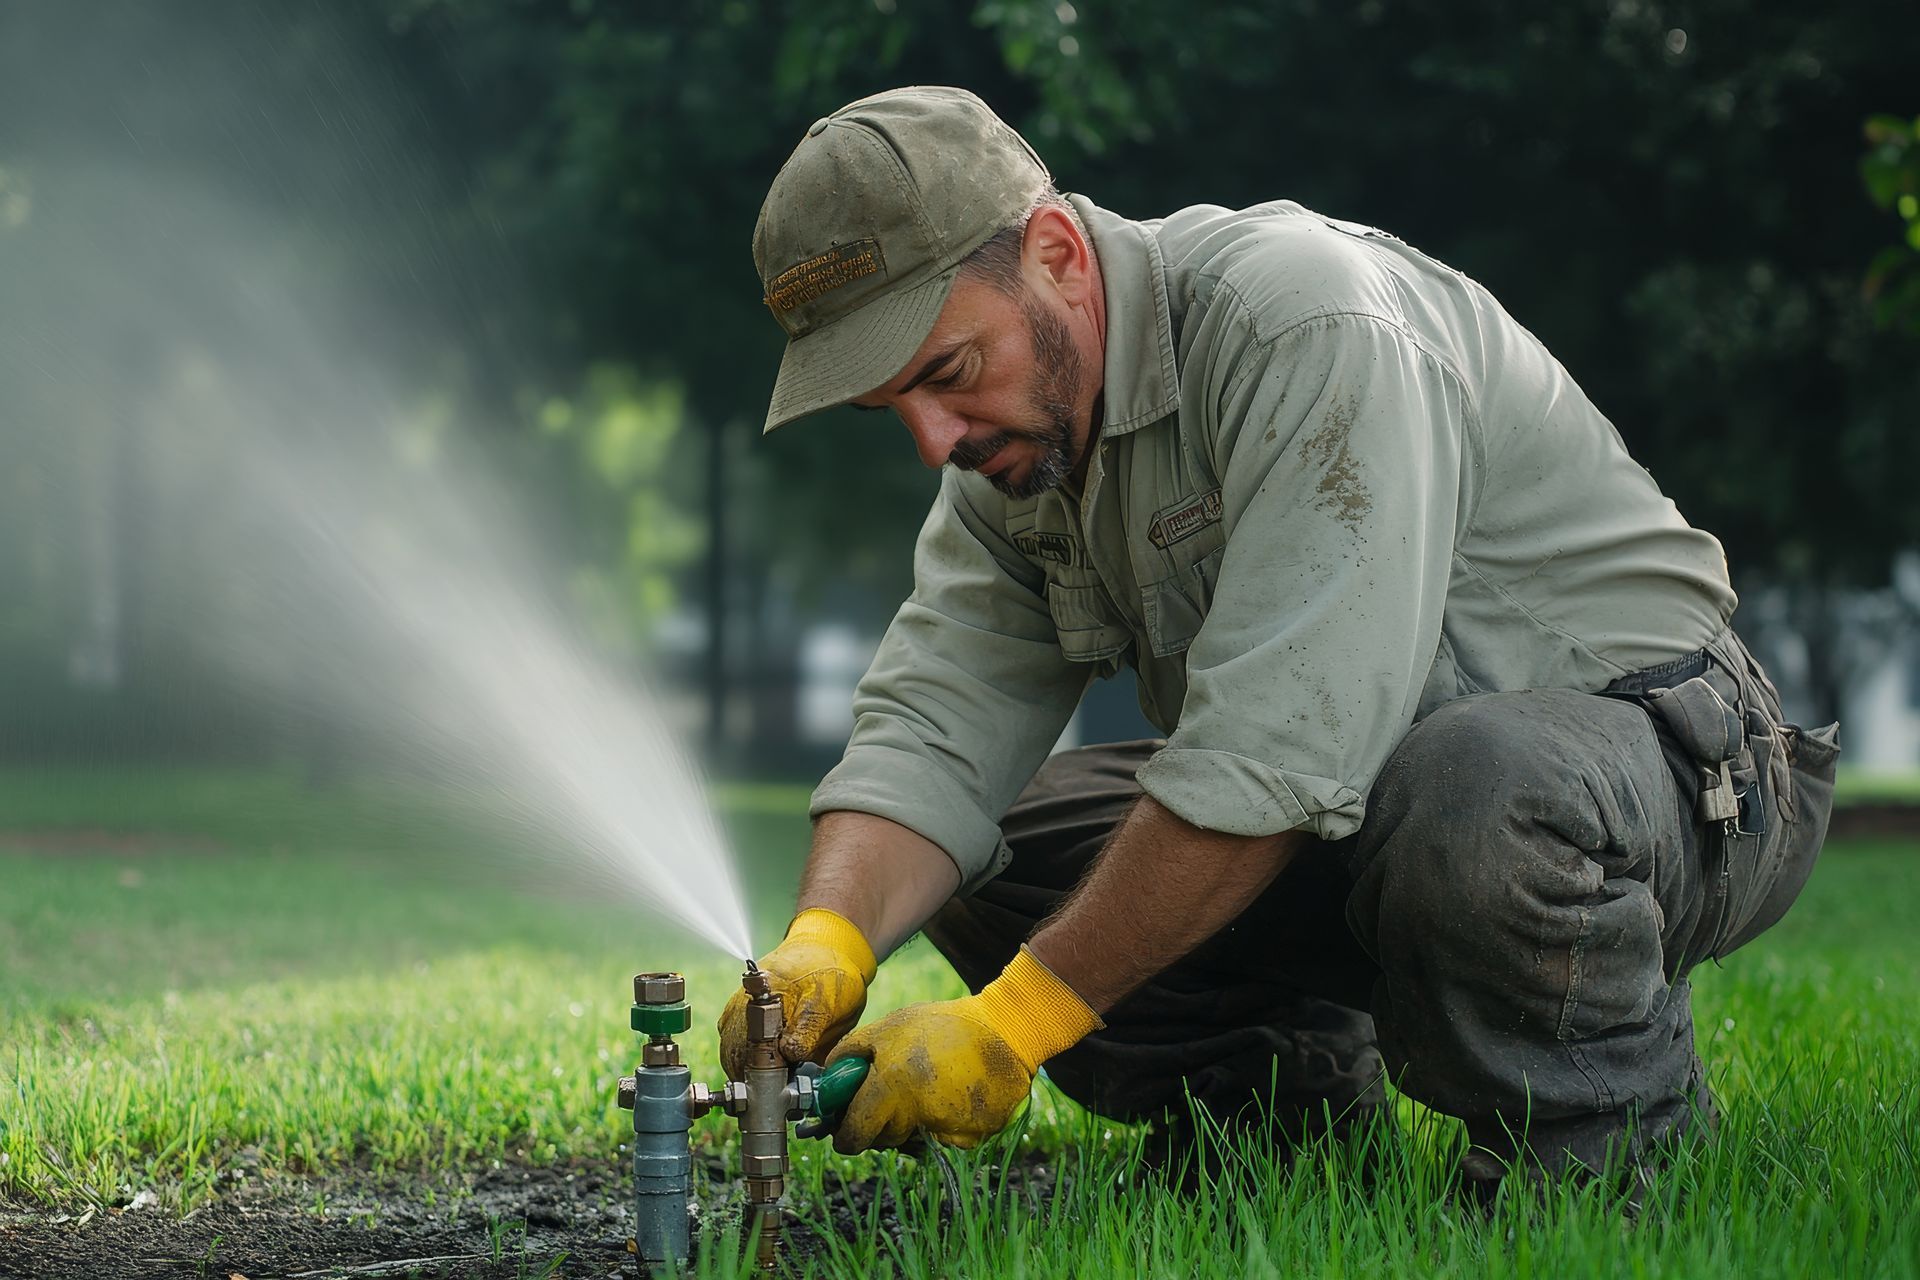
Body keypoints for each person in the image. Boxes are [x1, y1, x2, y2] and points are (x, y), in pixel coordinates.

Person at [720, 85, 1839, 1194]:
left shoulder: (1303, 325)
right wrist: (831, 937)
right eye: (892, 408)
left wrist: (1012, 1025)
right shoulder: (1016, 453)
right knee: (996, 844)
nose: (933, 441)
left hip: (1676, 776)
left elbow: (1272, 751)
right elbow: (933, 729)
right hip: (1384, 815)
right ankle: (1275, 1128)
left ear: (1057, 254)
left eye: (949, 373)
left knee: (1472, 786)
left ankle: (1616, 1153)